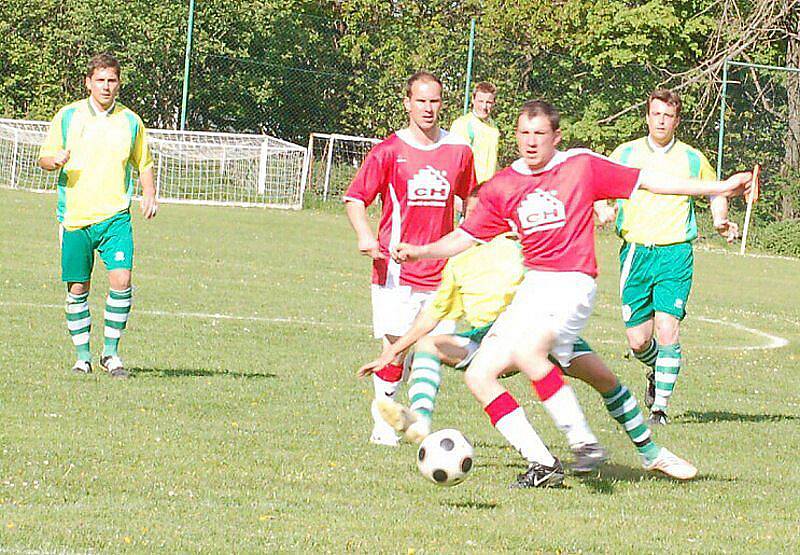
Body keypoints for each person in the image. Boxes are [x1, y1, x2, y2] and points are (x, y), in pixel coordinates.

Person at [392, 99, 750, 488]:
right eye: (524, 134)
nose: (530, 143)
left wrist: (721, 187)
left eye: (539, 134)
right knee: (480, 375)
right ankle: (543, 463)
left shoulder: (581, 165)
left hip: (573, 284)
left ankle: (584, 441)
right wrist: (422, 251)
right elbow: (467, 235)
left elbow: (649, 181)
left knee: (532, 353)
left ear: (556, 136)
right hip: (534, 289)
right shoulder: (503, 186)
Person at [358, 190, 697, 480]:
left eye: (484, 214)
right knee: (429, 344)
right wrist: (393, 352)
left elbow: (564, 233)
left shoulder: (523, 244)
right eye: (472, 214)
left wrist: (595, 212)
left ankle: (652, 452)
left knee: (607, 383)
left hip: (543, 328)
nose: (477, 221)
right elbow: (429, 318)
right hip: (493, 340)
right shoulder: (459, 262)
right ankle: (422, 418)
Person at [343, 71, 477, 446]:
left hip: (442, 272)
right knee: (395, 349)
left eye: (434, 101)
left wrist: (472, 234)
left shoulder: (458, 151)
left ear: (441, 103)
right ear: (407, 103)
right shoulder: (388, 150)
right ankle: (384, 423)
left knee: (428, 352)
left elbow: (473, 197)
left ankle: (420, 424)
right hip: (395, 272)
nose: (428, 108)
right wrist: (365, 234)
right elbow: (356, 198)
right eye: (421, 101)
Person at [609, 89, 739, 426]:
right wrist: (602, 209)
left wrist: (721, 220)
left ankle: (659, 409)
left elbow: (716, 190)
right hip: (636, 253)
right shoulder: (625, 153)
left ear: (677, 120)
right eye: (656, 114)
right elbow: (602, 186)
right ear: (647, 117)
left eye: (668, 115)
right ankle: (655, 366)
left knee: (668, 329)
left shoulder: (692, 158)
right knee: (638, 341)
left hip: (675, 253)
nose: (661, 120)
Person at [38, 53, 157, 378]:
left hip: (115, 217)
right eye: (100, 80)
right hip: (75, 217)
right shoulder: (68, 116)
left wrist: (149, 194)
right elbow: (44, 158)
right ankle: (82, 357)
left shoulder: (131, 122)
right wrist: (55, 160)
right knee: (78, 288)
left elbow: (143, 162)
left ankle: (111, 354)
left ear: (119, 83)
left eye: (112, 80)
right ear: (88, 82)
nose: (106, 86)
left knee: (122, 279)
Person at [450, 82, 500, 184]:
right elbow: (454, 162)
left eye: (488, 102)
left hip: (488, 188)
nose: (484, 106)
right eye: (480, 101)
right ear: (473, 100)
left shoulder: (494, 127)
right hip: (469, 189)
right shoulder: (462, 124)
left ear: (494, 103)